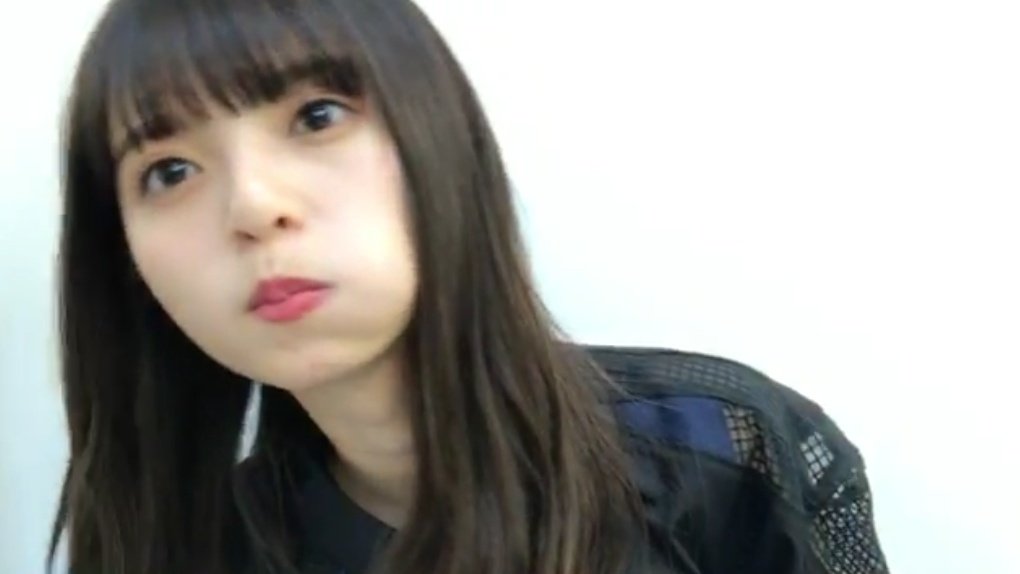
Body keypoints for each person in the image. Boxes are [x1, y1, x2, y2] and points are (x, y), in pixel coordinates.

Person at [48, 0, 888, 573]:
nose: (253, 206)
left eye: (317, 116)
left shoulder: (730, 447)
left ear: (440, 140)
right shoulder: (196, 549)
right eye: (169, 171)